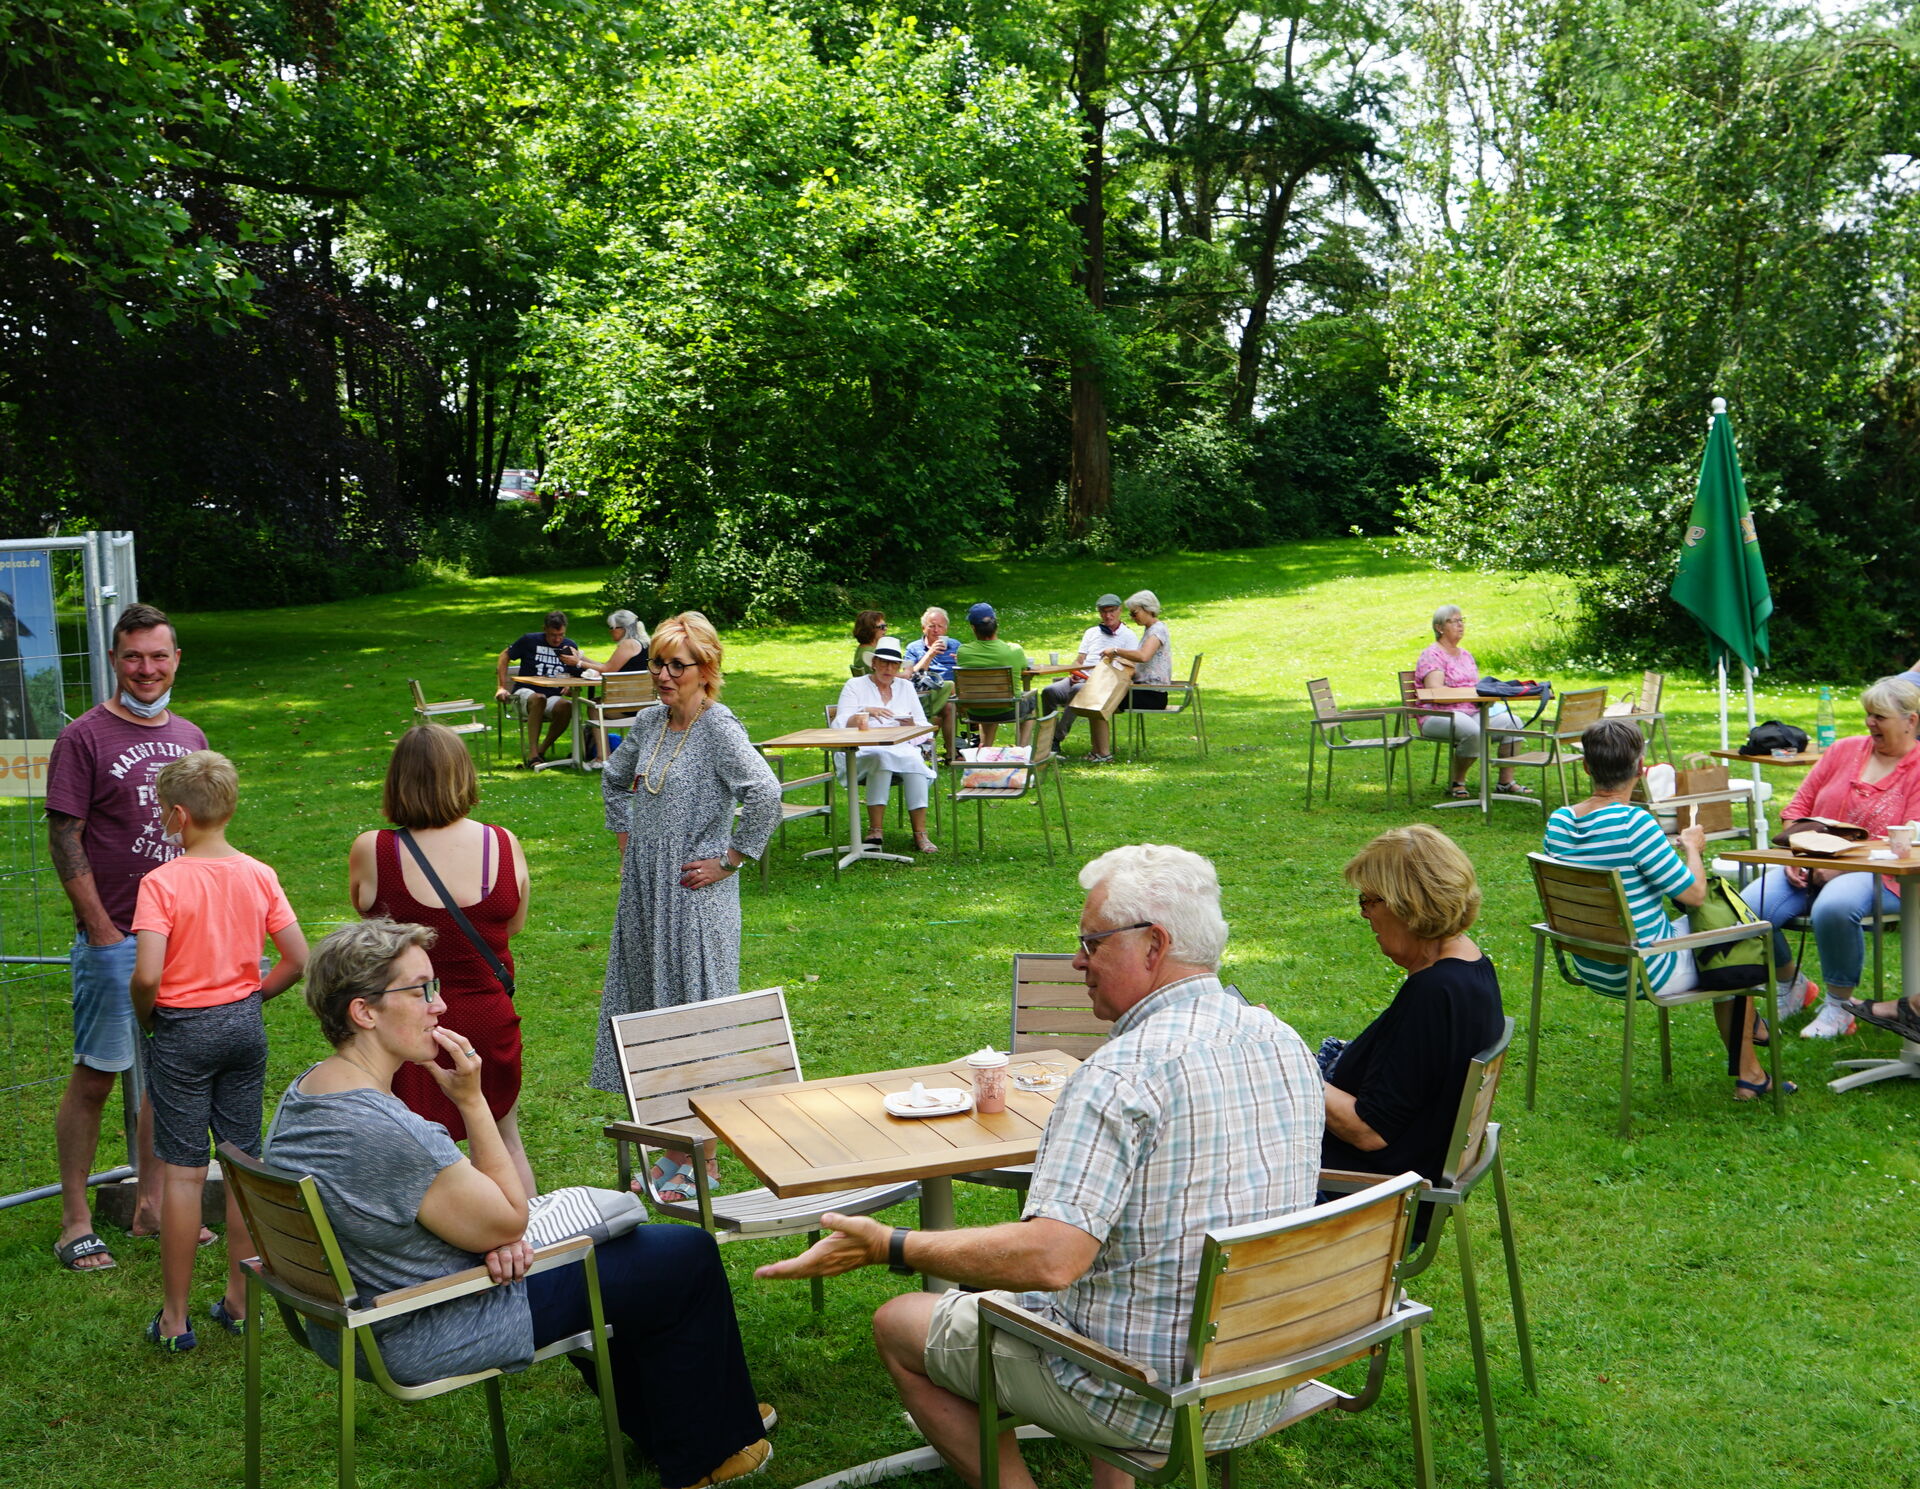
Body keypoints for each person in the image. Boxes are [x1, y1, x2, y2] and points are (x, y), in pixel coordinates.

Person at [756, 845, 1324, 1488]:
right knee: (1111, 1293)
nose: (1078, 960)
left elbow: (1051, 1260)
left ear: (1154, 945)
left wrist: (890, 1244)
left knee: (900, 1323)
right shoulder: (1280, 1038)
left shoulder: (1119, 1076)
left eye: (1092, 942)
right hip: (1266, 1370)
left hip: (1149, 1399)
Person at [267, 920, 772, 1489]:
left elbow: (422, 1214)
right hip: (426, 1321)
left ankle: (683, 1418)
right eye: (421, 990)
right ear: (364, 1012)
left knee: (631, 1262)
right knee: (681, 1254)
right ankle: (707, 1454)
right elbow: (511, 1215)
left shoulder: (307, 1094)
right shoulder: (386, 1131)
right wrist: (473, 1103)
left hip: (356, 1318)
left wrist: (499, 1239)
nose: (439, 1006)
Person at [45, 602, 211, 1273]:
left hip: (183, 940)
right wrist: (104, 929)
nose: (147, 668)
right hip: (115, 938)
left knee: (167, 1075)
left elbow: (206, 834)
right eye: (133, 656)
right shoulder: (82, 738)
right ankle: (75, 1220)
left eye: (159, 655)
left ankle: (149, 1204)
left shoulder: (193, 735)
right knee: (98, 1074)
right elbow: (64, 835)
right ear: (115, 659)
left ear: (176, 659)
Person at [594, 613, 783, 1201]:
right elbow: (612, 778)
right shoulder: (650, 721)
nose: (664, 675)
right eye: (657, 663)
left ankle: (702, 1160)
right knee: (647, 1010)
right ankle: (659, 1151)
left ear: (707, 671)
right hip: (646, 894)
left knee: (693, 1017)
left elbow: (766, 793)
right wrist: (629, 842)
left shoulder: (718, 726)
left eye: (678, 665)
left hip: (695, 898)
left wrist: (730, 860)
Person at [129, 751, 308, 1349]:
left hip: (182, 1030)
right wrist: (252, 999)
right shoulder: (258, 873)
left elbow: (148, 975)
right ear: (228, 807)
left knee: (182, 1174)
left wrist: (146, 1015)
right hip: (243, 1028)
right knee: (240, 1162)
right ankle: (239, 1301)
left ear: (178, 815)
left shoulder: (161, 883)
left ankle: (175, 1319)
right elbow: (297, 959)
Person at [1547, 719, 1782, 1098]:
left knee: (1724, 935)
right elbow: (1694, 895)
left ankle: (1752, 1046)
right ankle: (1750, 1072)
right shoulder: (1634, 823)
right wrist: (1692, 847)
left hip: (1592, 962)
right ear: (1640, 769)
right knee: (1737, 941)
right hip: (1643, 967)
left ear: (1587, 767)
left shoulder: (1559, 821)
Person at [349, 724, 535, 1196]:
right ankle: (528, 1247)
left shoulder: (374, 850)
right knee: (504, 1141)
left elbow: (371, 925)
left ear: (397, 782)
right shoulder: (502, 843)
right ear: (464, 777)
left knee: (415, 1150)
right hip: (488, 1017)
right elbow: (510, 927)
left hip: (409, 1025)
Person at [1323, 825, 1504, 1235]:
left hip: (1368, 1201)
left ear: (1409, 904)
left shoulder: (1436, 993)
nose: (1364, 912)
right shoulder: (1471, 968)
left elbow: (1369, 1131)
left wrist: (1283, 1059)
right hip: (1389, 1185)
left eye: (1370, 900)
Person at [1744, 675, 1920, 1040]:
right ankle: (1791, 982)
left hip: (1883, 874)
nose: (1870, 722)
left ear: (1911, 721)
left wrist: (1838, 868)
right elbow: (1797, 810)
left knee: (1833, 907)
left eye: (1880, 716)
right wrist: (1799, 857)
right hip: (1810, 863)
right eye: (1868, 714)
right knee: (1747, 907)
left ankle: (1840, 1005)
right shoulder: (1843, 750)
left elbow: (1910, 839)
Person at [834, 636, 939, 854]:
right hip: (860, 751)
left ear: (899, 667)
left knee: (913, 761)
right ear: (873, 663)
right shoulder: (855, 685)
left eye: (894, 664)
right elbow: (840, 723)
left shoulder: (905, 687)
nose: (888, 668)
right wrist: (865, 712)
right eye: (883, 662)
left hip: (899, 747)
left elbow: (922, 724)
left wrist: (910, 724)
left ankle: (920, 833)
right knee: (880, 759)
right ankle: (875, 830)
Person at [1415, 604, 1530, 798]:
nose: (1460, 625)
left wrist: (1488, 696)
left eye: (1462, 620)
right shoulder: (1432, 654)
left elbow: (1476, 687)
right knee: (1472, 732)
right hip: (1438, 714)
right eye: (1454, 621)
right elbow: (1436, 691)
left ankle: (1505, 782)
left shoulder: (1466, 655)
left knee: (1514, 722)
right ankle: (1457, 782)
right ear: (1439, 627)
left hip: (1473, 711)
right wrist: (1472, 695)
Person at [1040, 594, 1138, 760]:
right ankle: (1048, 738)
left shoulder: (1128, 636)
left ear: (1120, 610)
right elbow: (1079, 660)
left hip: (1104, 684)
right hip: (1081, 676)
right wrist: (1074, 673)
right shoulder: (1091, 632)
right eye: (1103, 612)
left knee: (1079, 690)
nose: (1108, 616)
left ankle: (1055, 739)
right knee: (1049, 691)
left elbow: (1131, 667)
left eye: (1112, 611)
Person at [1087, 590, 1174, 764]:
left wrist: (1116, 650)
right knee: (1094, 700)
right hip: (1144, 690)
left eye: (1135, 613)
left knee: (1097, 700)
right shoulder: (1151, 629)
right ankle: (1098, 752)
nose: (1133, 618)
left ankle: (1103, 754)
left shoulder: (1157, 630)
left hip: (1151, 694)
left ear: (1148, 609)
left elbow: (1143, 656)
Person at [494, 610, 583, 768]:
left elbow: (576, 673)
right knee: (539, 698)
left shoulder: (570, 646)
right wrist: (501, 687)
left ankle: (542, 751)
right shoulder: (529, 640)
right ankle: (533, 754)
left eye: (561, 635)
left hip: (552, 695)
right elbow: (504, 656)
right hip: (525, 693)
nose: (557, 639)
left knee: (567, 707)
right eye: (552, 635)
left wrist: (569, 684)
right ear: (544, 629)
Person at [953, 601, 1036, 748]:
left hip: (975, 711)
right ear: (996, 624)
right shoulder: (1014, 650)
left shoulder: (963, 652)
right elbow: (1024, 667)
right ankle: (1022, 751)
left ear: (973, 628)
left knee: (989, 701)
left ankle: (985, 748)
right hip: (1009, 710)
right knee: (1032, 700)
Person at [904, 606, 959, 759]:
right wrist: (930, 654)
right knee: (947, 707)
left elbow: (965, 670)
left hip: (955, 696)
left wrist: (961, 662)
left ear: (946, 629)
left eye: (940, 626)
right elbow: (910, 674)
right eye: (932, 626)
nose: (936, 630)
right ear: (923, 628)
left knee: (948, 705)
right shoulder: (914, 648)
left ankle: (937, 750)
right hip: (925, 693)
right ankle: (949, 753)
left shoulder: (955, 645)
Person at [577, 609, 651, 674]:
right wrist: (581, 657)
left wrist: (579, 663)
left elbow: (607, 670)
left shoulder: (629, 644)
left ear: (623, 628)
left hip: (625, 688)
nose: (610, 631)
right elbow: (607, 666)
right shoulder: (641, 642)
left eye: (612, 627)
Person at [851, 610, 888, 676]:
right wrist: (908, 670)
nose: (886, 629)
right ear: (870, 629)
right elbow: (891, 676)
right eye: (882, 627)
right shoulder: (873, 654)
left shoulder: (861, 649)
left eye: (886, 625)